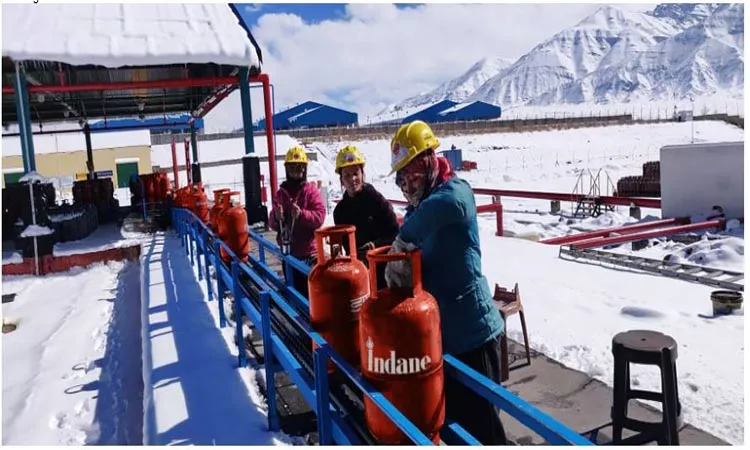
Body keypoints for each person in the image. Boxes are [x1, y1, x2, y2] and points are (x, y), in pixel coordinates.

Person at [385, 120, 507, 445]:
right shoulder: (418, 209)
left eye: (413, 174)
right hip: (440, 340)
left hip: (473, 337)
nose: (408, 185)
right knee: (452, 426)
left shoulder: (455, 191)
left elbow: (449, 204)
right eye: (402, 179)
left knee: (484, 432)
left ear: (429, 161)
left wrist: (403, 240)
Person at [332, 145, 400, 290]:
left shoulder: (377, 201)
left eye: (355, 173)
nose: (352, 179)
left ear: (362, 174)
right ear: (341, 179)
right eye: (347, 175)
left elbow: (395, 233)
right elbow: (343, 248)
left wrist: (374, 246)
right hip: (357, 275)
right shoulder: (340, 212)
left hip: (384, 274)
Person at [269, 146, 326, 298]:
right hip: (288, 254)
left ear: (304, 169)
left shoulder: (311, 191)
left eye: (300, 167)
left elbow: (320, 217)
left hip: (308, 254)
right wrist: (276, 216)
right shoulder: (281, 194)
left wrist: (302, 214)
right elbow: (272, 224)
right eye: (292, 167)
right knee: (292, 293)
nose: (296, 171)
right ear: (287, 169)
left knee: (310, 296)